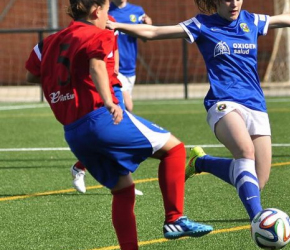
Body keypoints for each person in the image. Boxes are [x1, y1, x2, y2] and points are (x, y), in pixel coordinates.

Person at [106, 0, 290, 223]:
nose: (233, 3)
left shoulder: (251, 21)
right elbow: (154, 31)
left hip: (255, 104)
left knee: (257, 180)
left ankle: (201, 162)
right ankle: (259, 219)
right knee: (245, 151)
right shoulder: (202, 24)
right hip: (223, 103)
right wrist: (115, 26)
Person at [25, 1, 213, 249]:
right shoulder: (99, 34)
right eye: (106, 11)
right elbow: (96, 66)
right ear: (96, 11)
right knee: (175, 150)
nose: (108, 16)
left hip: (73, 132)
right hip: (101, 118)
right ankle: (174, 218)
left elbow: (31, 75)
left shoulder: (48, 42)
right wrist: (108, 101)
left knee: (123, 188)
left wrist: (65, 91)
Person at [70, 14, 143, 196]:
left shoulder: (109, 19)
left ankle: (83, 168)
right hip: (96, 83)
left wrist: (116, 66)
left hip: (113, 80)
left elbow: (114, 45)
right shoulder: (84, 24)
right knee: (111, 132)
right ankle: (82, 168)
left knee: (119, 128)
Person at [109, 0, 153, 112]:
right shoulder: (106, 10)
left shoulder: (137, 11)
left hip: (130, 67)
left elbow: (145, 38)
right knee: (128, 105)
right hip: (115, 67)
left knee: (123, 108)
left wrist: (148, 26)